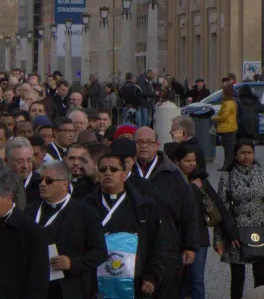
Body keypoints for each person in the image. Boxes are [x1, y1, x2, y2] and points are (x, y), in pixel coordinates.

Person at [84, 154, 166, 298]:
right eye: (103, 170)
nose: (108, 173)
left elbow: (157, 244)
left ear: (124, 174)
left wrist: (152, 276)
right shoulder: (84, 206)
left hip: (134, 281)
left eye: (113, 169)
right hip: (95, 282)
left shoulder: (144, 206)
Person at [132, 127, 199, 298]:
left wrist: (189, 246)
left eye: (149, 142)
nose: (144, 146)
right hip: (134, 245)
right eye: (139, 142)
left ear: (157, 145)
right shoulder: (127, 173)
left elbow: (189, 213)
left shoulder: (173, 174)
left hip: (168, 245)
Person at [25, 161, 107, 299]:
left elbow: (100, 252)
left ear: (64, 184)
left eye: (49, 180)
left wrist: (72, 263)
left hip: (69, 288)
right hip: (34, 287)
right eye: (40, 179)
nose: (42, 184)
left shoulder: (85, 213)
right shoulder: (30, 211)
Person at [171, 144, 237, 299]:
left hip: (198, 236)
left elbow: (218, 205)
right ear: (177, 162)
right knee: (178, 280)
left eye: (193, 160)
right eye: (187, 161)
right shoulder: (171, 181)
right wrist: (191, 188)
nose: (192, 164)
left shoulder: (201, 180)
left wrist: (231, 233)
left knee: (196, 279)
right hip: (176, 236)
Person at [215, 140, 264, 299]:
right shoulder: (227, 177)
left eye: (249, 153)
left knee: (261, 277)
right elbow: (220, 210)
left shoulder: (261, 174)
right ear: (235, 155)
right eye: (242, 153)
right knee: (237, 278)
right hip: (235, 234)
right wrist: (219, 239)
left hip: (259, 231)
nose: (246, 156)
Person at [214, 83, 238, 171]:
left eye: (223, 91)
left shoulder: (228, 103)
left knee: (229, 149)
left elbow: (223, 116)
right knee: (228, 149)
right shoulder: (228, 102)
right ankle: (227, 165)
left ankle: (229, 166)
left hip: (228, 129)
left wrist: (213, 118)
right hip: (228, 128)